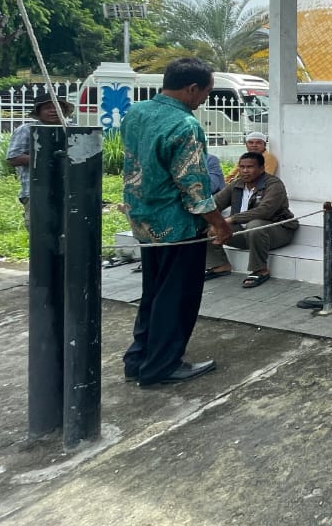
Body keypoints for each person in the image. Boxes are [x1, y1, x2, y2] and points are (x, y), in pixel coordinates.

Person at [121, 58, 233, 387]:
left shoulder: (136, 112)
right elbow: (194, 187)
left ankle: (138, 359)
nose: (204, 100)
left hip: (144, 221)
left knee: (153, 293)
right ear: (192, 89)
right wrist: (219, 223)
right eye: (206, 93)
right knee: (177, 298)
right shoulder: (185, 125)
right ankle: (162, 365)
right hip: (178, 227)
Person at [203, 152, 299, 287]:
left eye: (250, 167)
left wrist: (231, 219)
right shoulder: (236, 184)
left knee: (255, 225)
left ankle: (260, 270)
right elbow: (214, 204)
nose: (245, 171)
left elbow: (264, 211)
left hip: (278, 231)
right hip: (245, 233)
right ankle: (220, 265)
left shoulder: (274, 184)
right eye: (242, 167)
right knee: (205, 222)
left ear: (261, 168)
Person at [6, 90, 72, 230]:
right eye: (48, 108)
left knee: (71, 230)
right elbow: (13, 158)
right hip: (36, 190)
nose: (53, 110)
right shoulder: (26, 129)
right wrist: (47, 158)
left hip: (70, 190)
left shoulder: (73, 129)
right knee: (40, 232)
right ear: (38, 112)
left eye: (57, 107)